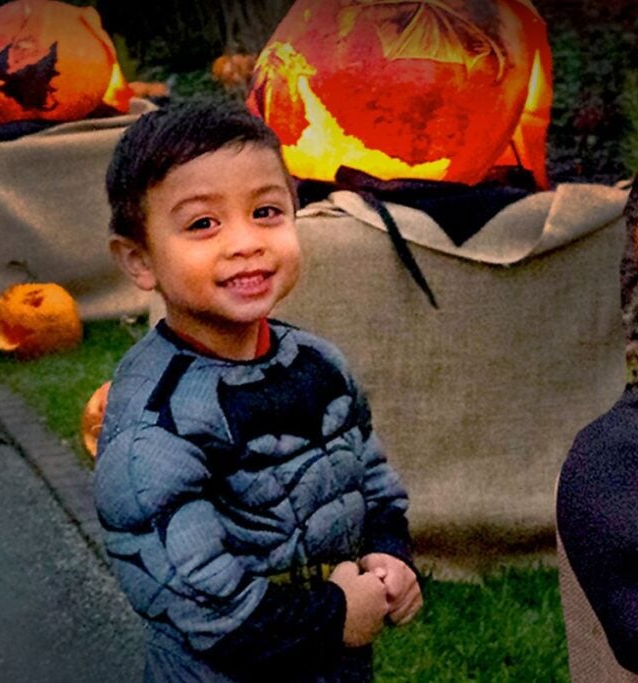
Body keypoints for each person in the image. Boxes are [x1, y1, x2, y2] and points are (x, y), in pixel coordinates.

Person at [95, 98, 423, 682]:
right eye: (203, 224)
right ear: (139, 259)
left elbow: (368, 473)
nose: (245, 241)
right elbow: (193, 596)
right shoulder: (155, 423)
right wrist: (335, 616)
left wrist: (388, 552)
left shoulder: (318, 362)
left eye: (267, 211)